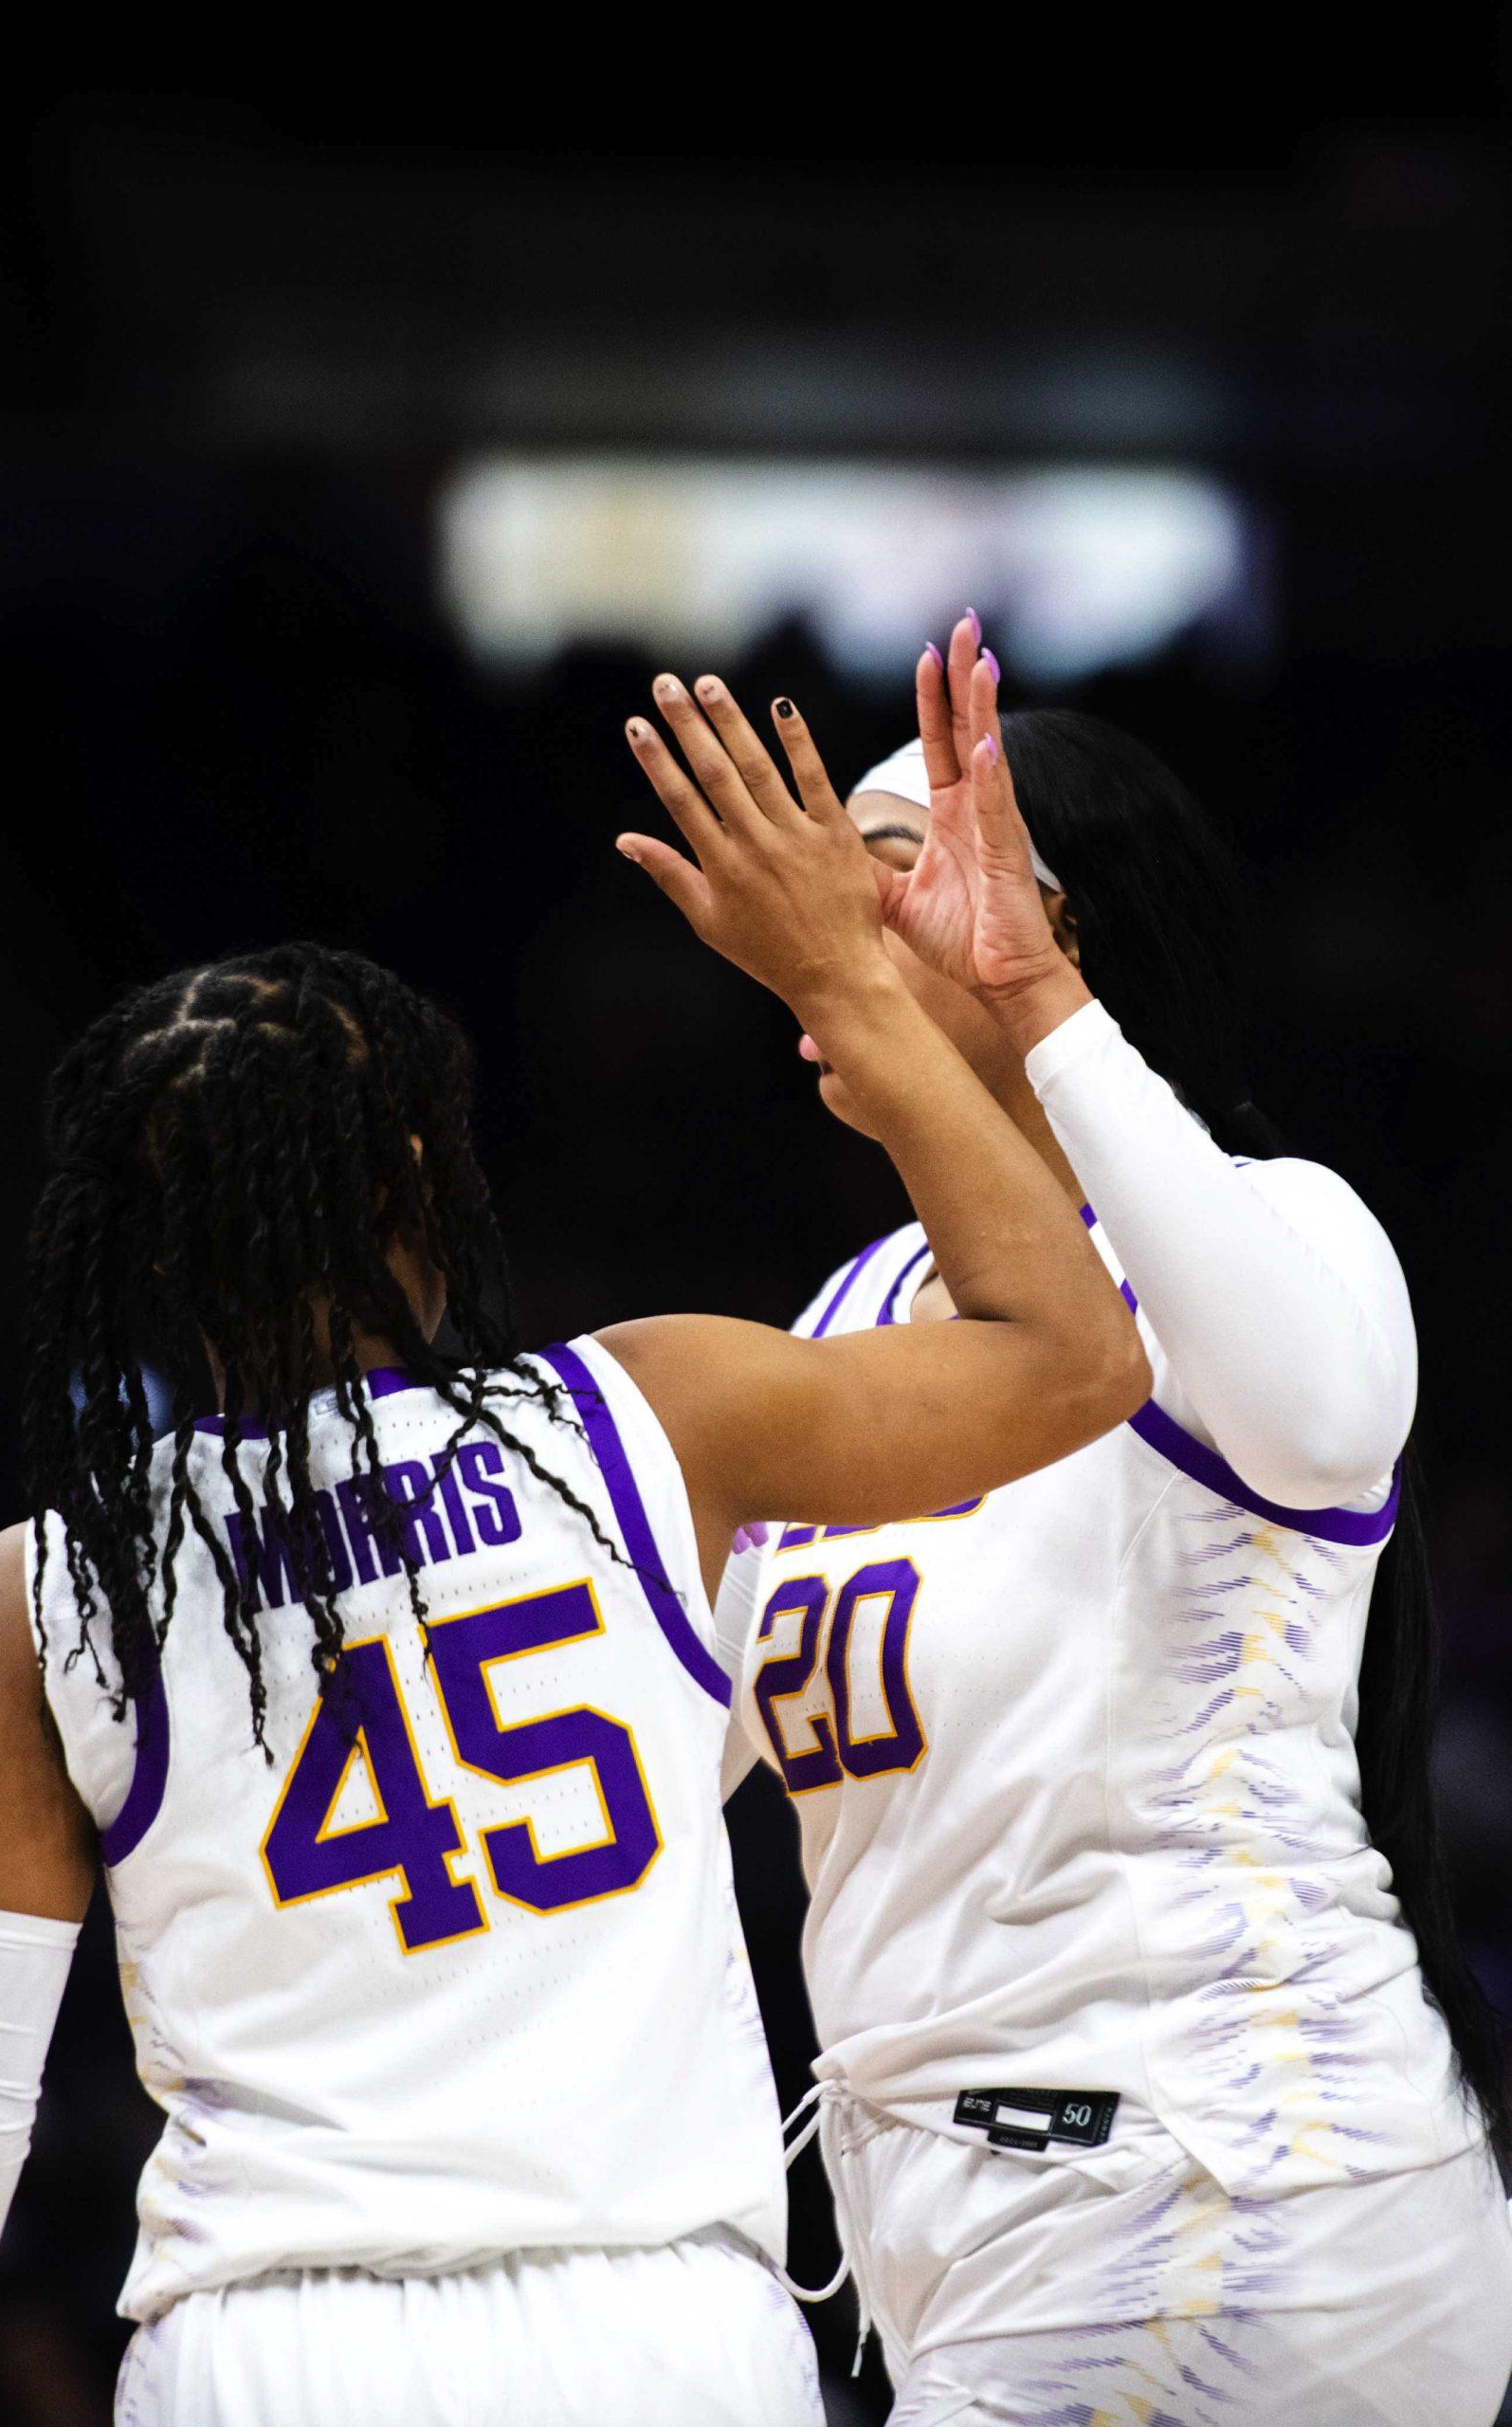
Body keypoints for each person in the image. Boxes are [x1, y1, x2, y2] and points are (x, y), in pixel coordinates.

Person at [0, 728, 1144, 2427]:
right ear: (427, 1181)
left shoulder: (50, 1595)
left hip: (281, 2348)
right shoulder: (644, 1418)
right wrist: (852, 994)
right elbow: (1078, 1358)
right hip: (663, 2336)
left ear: (129, 1253)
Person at [663, 619, 1512, 2426]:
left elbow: (1319, 1421)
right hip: (977, 2235)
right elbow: (665, 1745)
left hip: (1231, 2191)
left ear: (1063, 925)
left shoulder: (1275, 1226)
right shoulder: (853, 1307)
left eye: (896, 875)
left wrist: (1040, 1010)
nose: (841, 927)